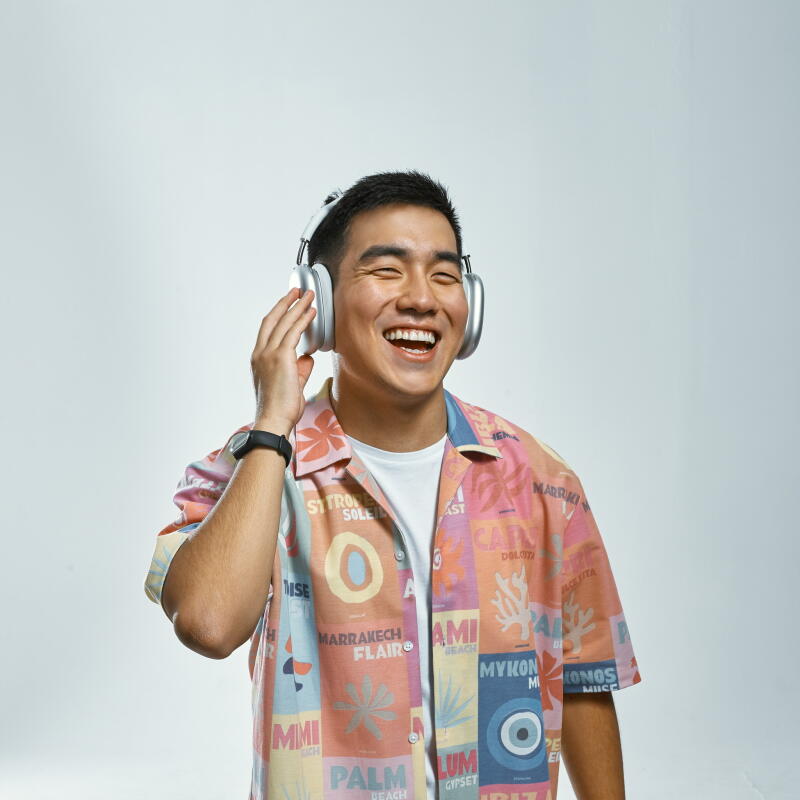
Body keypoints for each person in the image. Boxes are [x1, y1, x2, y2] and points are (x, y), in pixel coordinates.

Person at [144, 170, 642, 800]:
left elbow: (582, 681)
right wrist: (273, 423)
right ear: (316, 306)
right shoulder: (258, 470)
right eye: (387, 270)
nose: (422, 299)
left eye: (444, 273)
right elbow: (209, 623)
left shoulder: (542, 482)